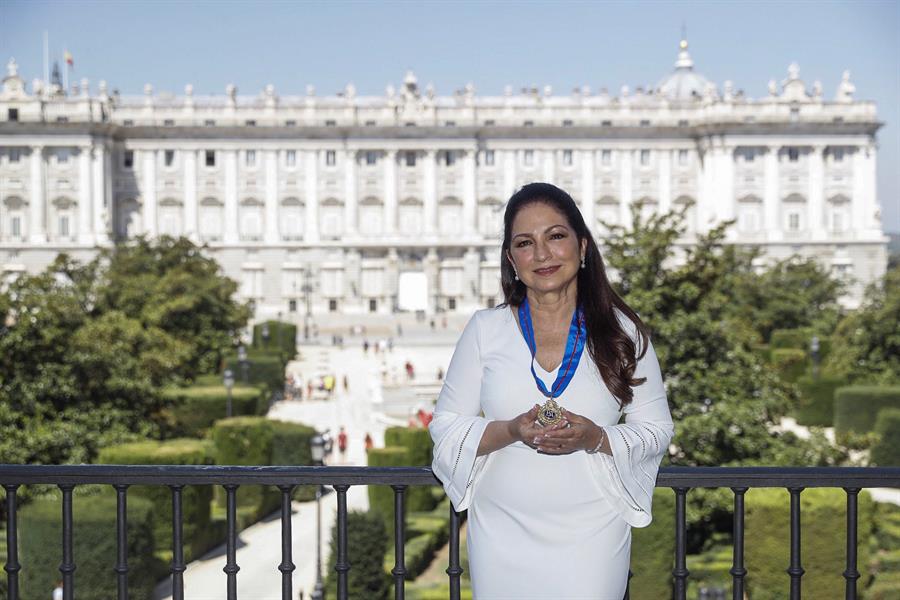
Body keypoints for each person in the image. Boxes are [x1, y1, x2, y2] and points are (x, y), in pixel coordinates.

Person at [428, 182, 674, 599]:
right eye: (525, 243)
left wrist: (595, 437)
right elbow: (445, 427)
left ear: (582, 248)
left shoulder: (623, 333)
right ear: (511, 259)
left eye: (555, 236)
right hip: (501, 533)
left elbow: (657, 430)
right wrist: (511, 430)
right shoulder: (485, 330)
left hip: (593, 534)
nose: (542, 254)